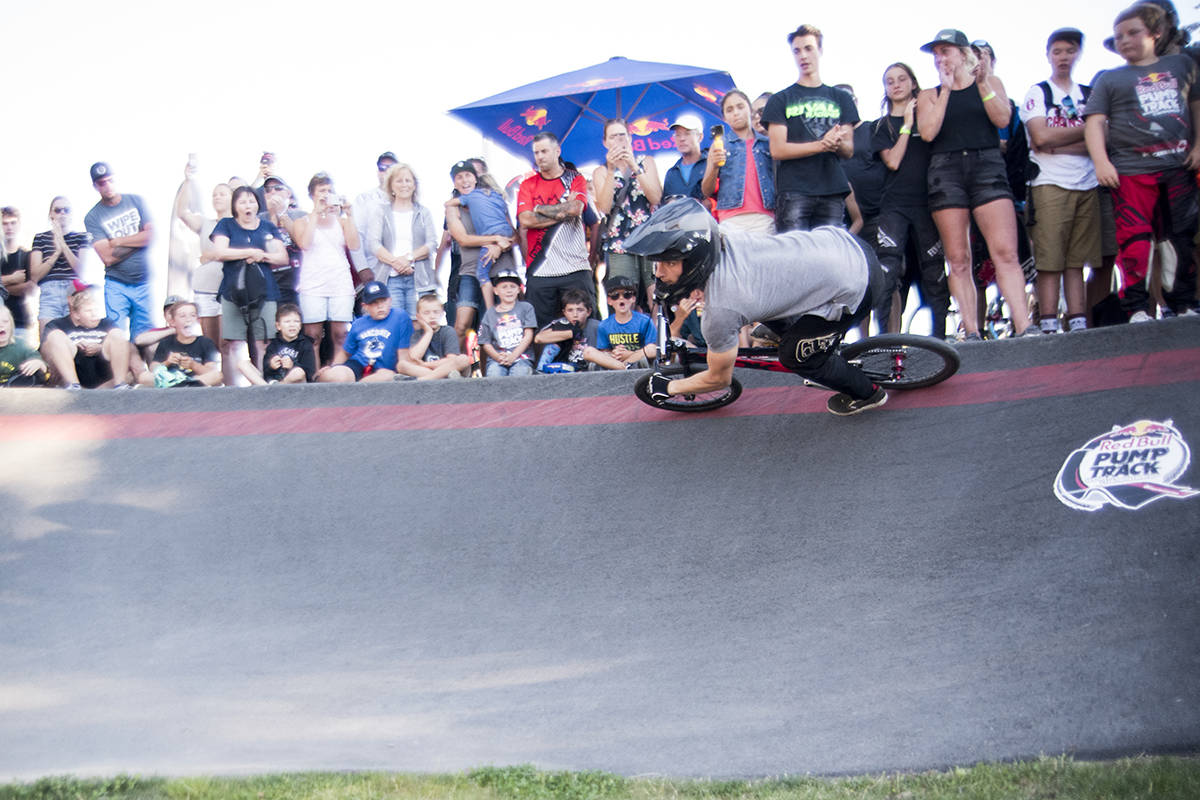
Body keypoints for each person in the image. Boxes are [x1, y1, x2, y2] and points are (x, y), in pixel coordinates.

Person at [626, 199, 888, 416]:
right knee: (763, 300)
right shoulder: (722, 237)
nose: (658, 273)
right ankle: (788, 331)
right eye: (657, 263)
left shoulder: (720, 311)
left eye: (668, 263)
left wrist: (669, 388)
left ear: (694, 260)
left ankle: (868, 394)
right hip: (846, 246)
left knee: (795, 356)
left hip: (857, 286)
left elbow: (719, 379)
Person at [916, 29, 1036, 338]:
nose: (941, 58)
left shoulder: (990, 82)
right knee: (957, 258)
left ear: (963, 53)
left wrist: (981, 82)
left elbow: (1001, 119)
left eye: (947, 51)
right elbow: (928, 133)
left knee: (1005, 252)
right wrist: (945, 90)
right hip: (946, 168)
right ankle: (970, 330)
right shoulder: (929, 94)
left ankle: (1024, 325)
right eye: (937, 53)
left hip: (986, 165)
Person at [1086, 3, 1200, 321]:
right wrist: (1101, 163)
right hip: (1132, 172)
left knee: (1181, 237)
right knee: (1135, 240)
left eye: (1133, 32)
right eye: (1118, 36)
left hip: (1178, 167)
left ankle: (1183, 303)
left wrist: (1199, 146)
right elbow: (1094, 122)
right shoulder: (1110, 79)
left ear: (1156, 33)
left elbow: (1195, 106)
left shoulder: (1182, 65)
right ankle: (1136, 306)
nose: (1124, 40)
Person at [1020, 27, 1101, 333]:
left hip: (1087, 183)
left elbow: (1101, 140)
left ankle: (1078, 321)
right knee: (1049, 259)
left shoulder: (1089, 94)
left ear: (1078, 53)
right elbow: (1040, 137)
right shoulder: (1039, 92)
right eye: (1057, 51)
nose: (1064, 57)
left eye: (1069, 50)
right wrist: (1086, 132)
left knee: (1077, 259)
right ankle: (1050, 322)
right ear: (1048, 55)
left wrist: (1061, 142)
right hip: (1049, 183)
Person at [871, 63, 951, 338]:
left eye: (901, 79)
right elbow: (892, 161)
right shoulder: (882, 125)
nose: (896, 85)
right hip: (894, 206)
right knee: (887, 272)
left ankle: (941, 338)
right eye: (889, 81)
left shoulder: (928, 120)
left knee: (934, 271)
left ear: (913, 82)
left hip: (929, 203)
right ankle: (882, 339)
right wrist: (906, 125)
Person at [762, 24, 858, 233]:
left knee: (829, 257)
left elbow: (849, 150)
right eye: (797, 51)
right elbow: (778, 150)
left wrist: (837, 142)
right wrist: (822, 145)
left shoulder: (841, 98)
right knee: (794, 257)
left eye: (808, 48)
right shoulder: (780, 99)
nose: (803, 56)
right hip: (794, 190)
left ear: (820, 50)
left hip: (832, 189)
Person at [516, 132, 597, 328]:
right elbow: (525, 220)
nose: (540, 156)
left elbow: (575, 209)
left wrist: (539, 209)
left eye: (544, 151)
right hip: (539, 268)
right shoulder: (528, 184)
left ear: (557, 151)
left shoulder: (575, 179)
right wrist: (561, 212)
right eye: (536, 152)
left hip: (575, 267)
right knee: (539, 330)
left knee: (586, 326)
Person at [208, 186, 289, 372]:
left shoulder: (268, 226)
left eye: (251, 201)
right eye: (242, 201)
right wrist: (248, 252)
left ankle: (263, 384)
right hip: (233, 291)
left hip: (265, 290)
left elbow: (282, 257)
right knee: (232, 343)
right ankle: (232, 389)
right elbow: (220, 252)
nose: (247, 206)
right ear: (235, 206)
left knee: (264, 342)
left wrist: (263, 256)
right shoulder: (226, 225)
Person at [593, 118, 663, 311]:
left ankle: (657, 338)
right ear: (605, 143)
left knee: (654, 294)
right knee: (623, 297)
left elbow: (655, 197)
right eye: (613, 137)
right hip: (619, 243)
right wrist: (610, 170)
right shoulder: (600, 171)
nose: (618, 140)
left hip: (649, 239)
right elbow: (605, 207)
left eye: (622, 135)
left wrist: (633, 165)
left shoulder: (646, 162)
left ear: (630, 137)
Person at [292, 172, 361, 365]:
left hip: (339, 282)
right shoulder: (302, 221)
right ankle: (314, 377)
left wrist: (349, 214)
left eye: (330, 191)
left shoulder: (341, 221)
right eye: (322, 191)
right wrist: (316, 213)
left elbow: (354, 245)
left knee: (341, 333)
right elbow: (304, 243)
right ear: (312, 194)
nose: (326, 195)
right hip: (313, 283)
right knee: (312, 335)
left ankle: (339, 372)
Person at [83, 162, 155, 338]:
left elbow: (152, 236)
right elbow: (107, 257)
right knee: (116, 335)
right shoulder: (93, 216)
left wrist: (119, 241)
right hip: (116, 283)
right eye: (102, 183)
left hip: (144, 281)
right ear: (95, 186)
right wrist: (139, 238)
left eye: (110, 180)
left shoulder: (136, 201)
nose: (107, 186)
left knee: (144, 337)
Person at [318, 280, 430, 382]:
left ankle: (356, 390)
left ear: (390, 301)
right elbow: (345, 352)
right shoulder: (358, 323)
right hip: (359, 364)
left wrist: (403, 370)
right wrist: (333, 367)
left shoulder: (399, 317)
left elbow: (403, 355)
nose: (380, 306)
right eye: (374, 303)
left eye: (383, 301)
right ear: (365, 306)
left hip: (386, 368)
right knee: (335, 375)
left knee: (386, 376)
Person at [367, 163, 440, 317]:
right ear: (391, 186)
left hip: (418, 277)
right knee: (395, 322)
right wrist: (396, 263)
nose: (404, 185)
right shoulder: (381, 212)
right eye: (399, 181)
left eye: (408, 181)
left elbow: (432, 243)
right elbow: (374, 244)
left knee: (418, 323)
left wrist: (408, 259)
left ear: (414, 185)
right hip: (390, 278)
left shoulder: (423, 212)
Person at [173, 164, 233, 348]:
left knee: (228, 342)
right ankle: (216, 376)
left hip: (228, 289)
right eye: (214, 194)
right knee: (210, 343)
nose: (217, 197)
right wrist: (188, 181)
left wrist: (212, 255)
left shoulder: (237, 224)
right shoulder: (206, 223)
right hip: (205, 288)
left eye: (222, 194)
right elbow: (182, 212)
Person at [702, 90, 776, 234]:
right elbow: (706, 190)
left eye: (740, 106)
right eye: (729, 110)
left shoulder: (767, 143)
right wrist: (714, 167)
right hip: (730, 220)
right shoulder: (719, 145)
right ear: (724, 117)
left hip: (765, 217)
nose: (736, 113)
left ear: (750, 109)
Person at [40, 287, 134, 389]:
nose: (94, 315)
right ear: (76, 314)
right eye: (89, 311)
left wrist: (100, 348)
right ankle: (73, 385)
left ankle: (120, 385)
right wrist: (73, 346)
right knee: (55, 336)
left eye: (96, 310)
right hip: (75, 366)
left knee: (118, 334)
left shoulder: (107, 323)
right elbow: (45, 353)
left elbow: (124, 346)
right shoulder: (56, 325)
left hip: (103, 371)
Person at [149, 300, 223, 387]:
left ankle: (186, 384)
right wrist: (167, 362)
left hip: (195, 380)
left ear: (198, 320)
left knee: (218, 375)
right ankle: (180, 384)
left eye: (192, 315)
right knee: (144, 376)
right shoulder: (166, 343)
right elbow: (154, 369)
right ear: (173, 322)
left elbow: (212, 370)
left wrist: (193, 365)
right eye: (182, 316)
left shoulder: (206, 342)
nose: (188, 320)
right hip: (171, 379)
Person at [477, 271, 536, 377]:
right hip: (497, 359)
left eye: (513, 286)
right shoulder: (490, 313)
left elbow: (528, 335)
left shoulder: (526, 308)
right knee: (495, 374)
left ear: (519, 289)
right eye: (504, 287)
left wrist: (513, 356)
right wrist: (498, 357)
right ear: (495, 291)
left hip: (522, 357)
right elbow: (485, 342)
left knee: (520, 373)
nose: (509, 290)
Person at [240, 303, 315, 385]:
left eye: (296, 321)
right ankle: (266, 388)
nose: (292, 325)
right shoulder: (273, 345)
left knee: (298, 372)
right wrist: (271, 366)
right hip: (274, 381)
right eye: (287, 322)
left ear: (300, 325)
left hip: (296, 383)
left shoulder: (305, 344)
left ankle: (276, 388)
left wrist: (293, 365)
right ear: (278, 326)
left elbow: (309, 372)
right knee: (243, 364)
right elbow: (266, 372)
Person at [593, 274, 658, 369]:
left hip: (639, 363)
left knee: (652, 349)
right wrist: (615, 353)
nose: (621, 298)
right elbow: (604, 351)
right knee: (589, 351)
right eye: (615, 295)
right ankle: (622, 366)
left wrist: (628, 355)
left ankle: (625, 366)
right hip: (615, 362)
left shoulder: (645, 321)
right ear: (609, 301)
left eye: (626, 294)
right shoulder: (604, 325)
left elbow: (652, 350)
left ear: (633, 298)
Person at [533, 288, 601, 373]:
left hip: (588, 368)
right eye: (570, 310)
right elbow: (538, 338)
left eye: (580, 310)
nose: (575, 315)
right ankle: (540, 371)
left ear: (588, 312)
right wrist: (571, 333)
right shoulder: (561, 323)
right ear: (564, 312)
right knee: (552, 344)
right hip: (563, 367)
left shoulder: (596, 326)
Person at [408, 293, 470, 377]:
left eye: (436, 312)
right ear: (418, 317)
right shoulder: (417, 334)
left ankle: (426, 379)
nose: (432, 316)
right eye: (426, 313)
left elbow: (451, 359)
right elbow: (414, 357)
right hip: (426, 371)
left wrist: (425, 364)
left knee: (463, 359)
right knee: (401, 365)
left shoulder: (448, 331)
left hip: (444, 368)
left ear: (442, 313)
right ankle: (439, 377)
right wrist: (428, 332)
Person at [1, 207, 34, 344]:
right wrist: (11, 279)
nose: (9, 227)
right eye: (5, 223)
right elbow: (19, 286)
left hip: (20, 322)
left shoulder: (27, 256)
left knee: (23, 364)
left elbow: (29, 289)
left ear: (19, 225)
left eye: (13, 223)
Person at [661, 114, 707, 201]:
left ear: (700, 137)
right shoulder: (671, 173)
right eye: (678, 135)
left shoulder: (711, 164)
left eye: (687, 134)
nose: (682, 139)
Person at [0, 306, 48, 386]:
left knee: (37, 374)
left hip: (15, 387)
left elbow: (44, 368)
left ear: (11, 325)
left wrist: (38, 363)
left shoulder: (22, 346)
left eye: (5, 321)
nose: (1, 325)